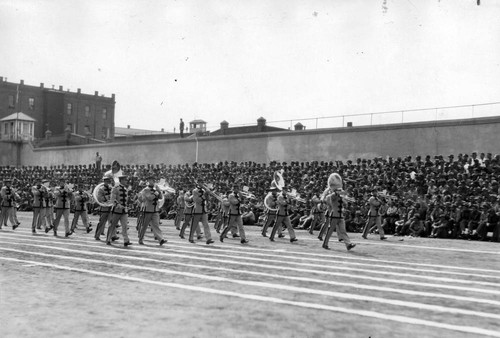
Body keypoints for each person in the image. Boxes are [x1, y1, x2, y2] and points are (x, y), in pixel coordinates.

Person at [321, 173, 356, 251]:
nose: (340, 191)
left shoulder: (340, 196)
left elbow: (345, 202)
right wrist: (338, 192)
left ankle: (348, 244)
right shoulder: (332, 196)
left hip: (340, 216)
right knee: (330, 230)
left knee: (343, 230)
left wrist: (347, 199)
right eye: (338, 190)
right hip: (334, 215)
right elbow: (329, 198)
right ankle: (325, 243)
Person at [137, 176, 167, 246]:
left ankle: (161, 239)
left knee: (156, 225)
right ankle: (140, 239)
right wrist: (156, 193)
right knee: (144, 226)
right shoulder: (145, 190)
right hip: (147, 210)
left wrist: (159, 192)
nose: (152, 181)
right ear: (148, 181)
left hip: (155, 210)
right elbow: (149, 198)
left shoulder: (155, 189)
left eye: (153, 180)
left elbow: (160, 197)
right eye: (150, 180)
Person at [106, 175, 132, 247]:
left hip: (124, 211)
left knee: (125, 226)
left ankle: (126, 240)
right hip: (116, 210)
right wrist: (118, 205)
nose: (126, 181)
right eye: (125, 180)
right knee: (113, 225)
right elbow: (112, 199)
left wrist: (126, 206)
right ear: (121, 180)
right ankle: (108, 239)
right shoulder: (115, 188)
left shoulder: (125, 189)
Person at [94, 174, 115, 241]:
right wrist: (107, 197)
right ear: (104, 181)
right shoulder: (101, 189)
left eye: (108, 181)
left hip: (110, 207)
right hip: (104, 208)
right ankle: (97, 235)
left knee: (111, 222)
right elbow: (100, 198)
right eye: (106, 181)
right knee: (102, 222)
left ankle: (113, 235)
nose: (107, 182)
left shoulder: (111, 188)